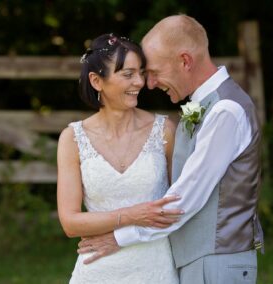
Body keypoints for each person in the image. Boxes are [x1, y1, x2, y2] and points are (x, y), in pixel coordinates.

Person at [77, 15, 264, 284]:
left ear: (185, 61)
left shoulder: (226, 111)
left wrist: (119, 238)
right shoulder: (209, 106)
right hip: (199, 262)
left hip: (217, 265)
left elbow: (183, 202)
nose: (148, 84)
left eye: (153, 72)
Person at [57, 33, 181, 283]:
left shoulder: (165, 130)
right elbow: (70, 222)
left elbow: (180, 204)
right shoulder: (72, 139)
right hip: (97, 267)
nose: (139, 82)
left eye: (140, 72)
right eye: (127, 74)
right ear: (96, 81)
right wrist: (132, 215)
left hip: (155, 267)